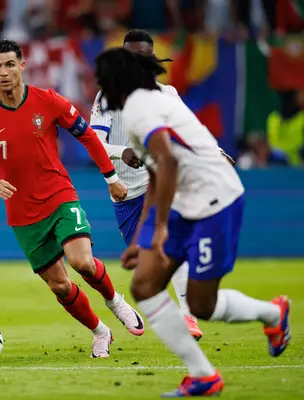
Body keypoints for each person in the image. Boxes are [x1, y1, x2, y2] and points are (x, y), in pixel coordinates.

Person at [94, 47, 291, 396]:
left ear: (116, 80)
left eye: (103, 80)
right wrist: (143, 236)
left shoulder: (140, 107)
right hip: (188, 197)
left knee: (203, 304)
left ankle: (274, 314)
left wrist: (158, 230)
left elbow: (166, 163)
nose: (100, 87)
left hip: (215, 199)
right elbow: (158, 170)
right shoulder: (144, 102)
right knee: (143, 285)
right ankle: (203, 375)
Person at [0, 39, 144, 359]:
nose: (3, 72)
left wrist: (111, 178)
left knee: (81, 261)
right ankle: (100, 332)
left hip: (59, 197)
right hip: (22, 213)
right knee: (60, 286)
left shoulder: (48, 101)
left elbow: (87, 135)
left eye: (9, 64)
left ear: (22, 66)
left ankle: (115, 300)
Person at [90, 29, 203, 341]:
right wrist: (121, 152)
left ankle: (188, 316)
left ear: (151, 58)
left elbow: (190, 132)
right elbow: (94, 142)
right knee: (146, 269)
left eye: (142, 57)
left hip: (159, 184)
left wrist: (217, 152)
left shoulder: (167, 95)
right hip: (126, 195)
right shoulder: (108, 96)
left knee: (169, 248)